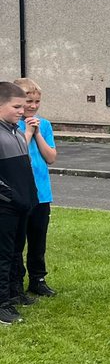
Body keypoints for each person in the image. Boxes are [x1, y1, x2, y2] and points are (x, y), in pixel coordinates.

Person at [14, 78, 57, 299]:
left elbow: (51, 157)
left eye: (37, 101)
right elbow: (18, 154)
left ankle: (38, 279)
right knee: (17, 241)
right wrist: (28, 132)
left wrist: (38, 133)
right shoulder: (11, 125)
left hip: (41, 193)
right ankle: (16, 281)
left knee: (38, 239)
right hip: (20, 193)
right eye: (28, 101)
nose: (32, 106)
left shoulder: (45, 125)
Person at [0, 82, 38, 326]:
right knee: (3, 255)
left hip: (22, 205)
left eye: (23, 107)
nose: (22, 111)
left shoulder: (15, 132)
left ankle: (15, 292)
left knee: (16, 251)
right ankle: (2, 303)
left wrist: (29, 197)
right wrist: (9, 196)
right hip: (5, 206)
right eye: (16, 107)